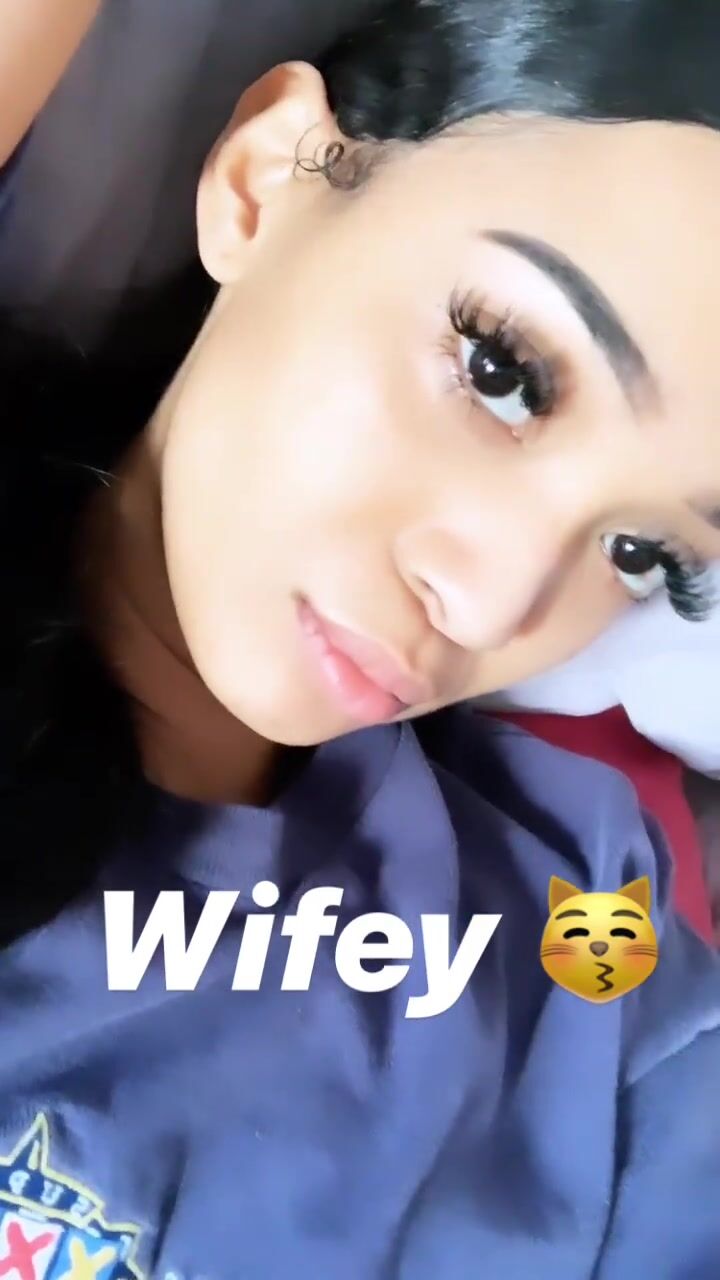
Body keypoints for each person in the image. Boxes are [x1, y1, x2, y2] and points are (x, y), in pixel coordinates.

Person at [0, 1, 719, 1277]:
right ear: (260, 181)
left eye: (642, 554)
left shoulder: (588, 966)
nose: (495, 608)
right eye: (502, 371)